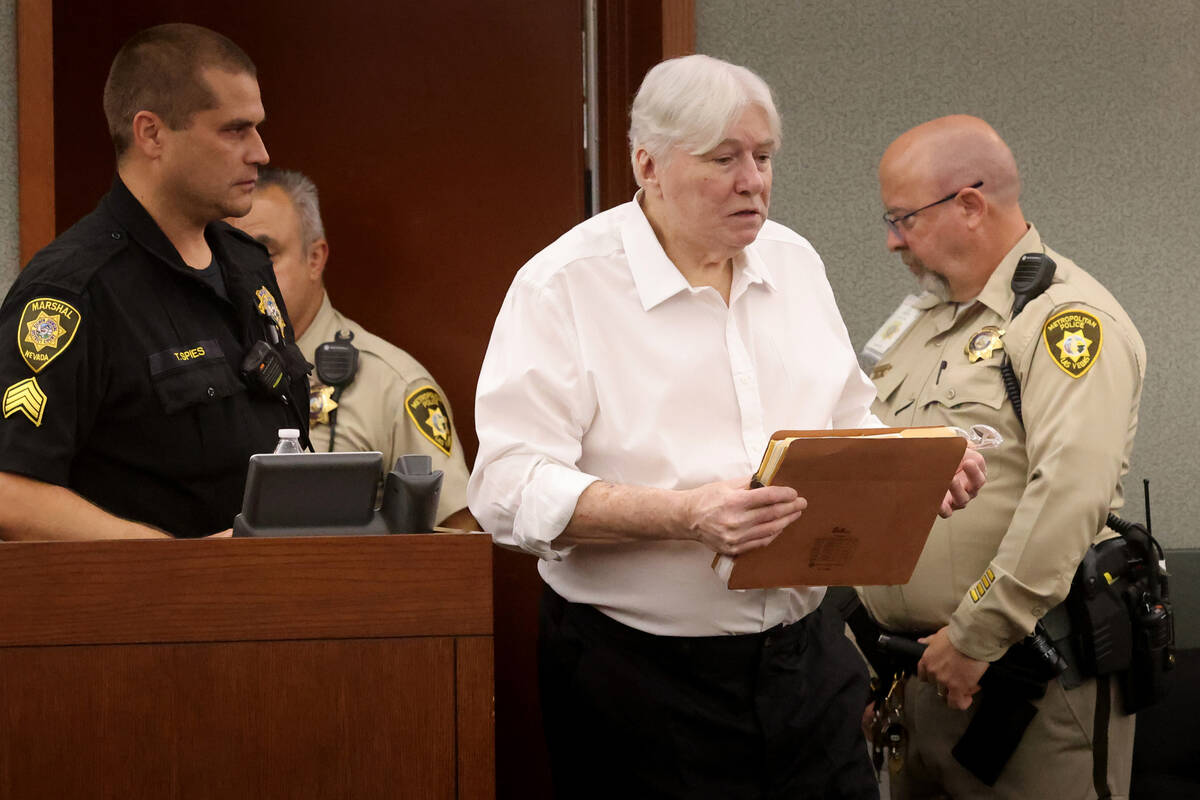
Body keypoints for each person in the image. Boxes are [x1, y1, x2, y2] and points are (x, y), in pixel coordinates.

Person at [468, 55, 986, 799]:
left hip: (805, 663)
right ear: (647, 164)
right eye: (724, 159)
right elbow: (507, 490)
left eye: (764, 156)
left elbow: (846, 418)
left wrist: (918, 464)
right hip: (641, 679)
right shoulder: (563, 286)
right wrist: (684, 515)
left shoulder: (795, 262)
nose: (754, 181)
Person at [857, 115, 1144, 799]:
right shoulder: (917, 329)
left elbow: (1069, 494)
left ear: (968, 204)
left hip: (1025, 681)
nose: (892, 240)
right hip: (915, 680)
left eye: (903, 219)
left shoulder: (1063, 321)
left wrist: (975, 637)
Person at [0, 24, 309, 540]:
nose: (260, 151)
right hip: (144, 610)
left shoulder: (248, 265)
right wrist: (172, 562)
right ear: (152, 134)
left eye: (257, 128)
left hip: (271, 598)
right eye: (234, 130)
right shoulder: (73, 291)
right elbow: (10, 490)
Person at [231, 168, 475, 528]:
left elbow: (457, 526)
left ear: (314, 259)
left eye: (265, 254)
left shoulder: (391, 383)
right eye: (232, 257)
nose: (245, 274)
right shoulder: (204, 370)